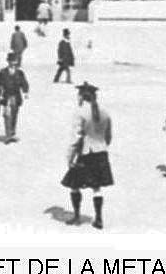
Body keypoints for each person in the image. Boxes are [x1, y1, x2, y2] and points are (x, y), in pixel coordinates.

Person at [62, 81, 113, 230]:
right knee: (97, 188)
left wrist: (69, 157)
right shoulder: (105, 112)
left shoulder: (80, 112)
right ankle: (98, 219)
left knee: (74, 185)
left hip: (86, 153)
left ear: (81, 97)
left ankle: (77, 215)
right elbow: (108, 136)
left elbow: (76, 138)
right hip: (101, 152)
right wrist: (101, 145)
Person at [0, 53, 30, 142]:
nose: (13, 63)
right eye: (11, 61)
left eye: (14, 61)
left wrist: (25, 92)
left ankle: (12, 133)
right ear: (8, 61)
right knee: (7, 115)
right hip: (6, 96)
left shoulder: (19, 73)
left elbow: (24, 83)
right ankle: (7, 134)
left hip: (15, 96)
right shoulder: (2, 72)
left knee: (14, 115)